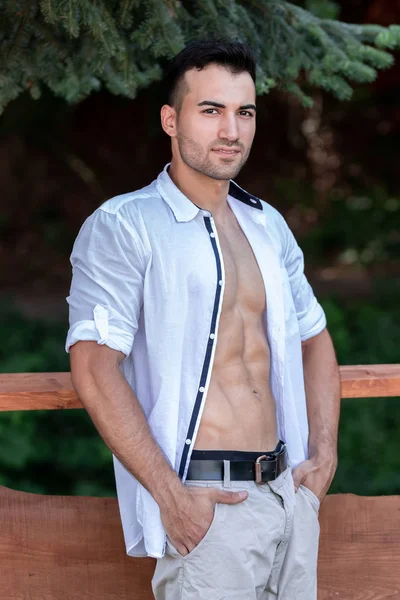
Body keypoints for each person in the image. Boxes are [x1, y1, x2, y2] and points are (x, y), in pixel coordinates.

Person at [66, 39, 341, 599]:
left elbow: (315, 338)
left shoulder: (268, 225)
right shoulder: (125, 225)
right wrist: (173, 499)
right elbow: (94, 366)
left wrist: (324, 457)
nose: (231, 131)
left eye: (245, 113)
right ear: (171, 119)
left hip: (288, 496)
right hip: (207, 510)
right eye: (211, 110)